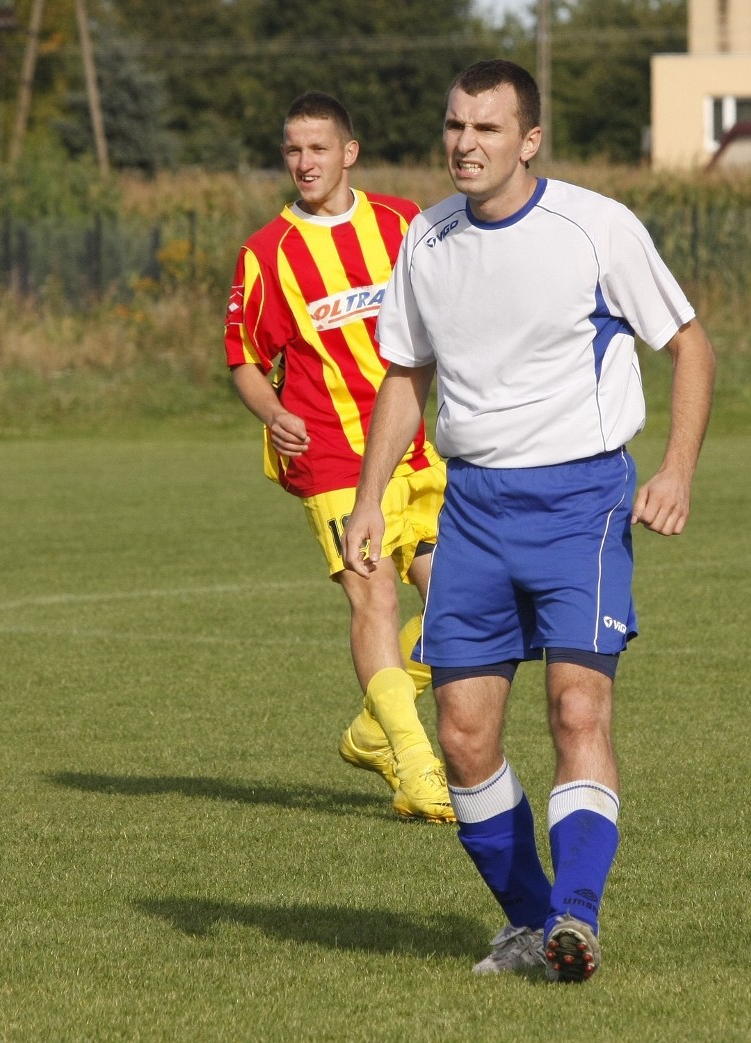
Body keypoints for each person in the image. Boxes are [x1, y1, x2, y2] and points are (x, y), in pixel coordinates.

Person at [342, 59, 715, 981]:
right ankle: (533, 924)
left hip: (579, 502)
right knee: (465, 738)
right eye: (454, 126)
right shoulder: (424, 241)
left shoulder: (595, 229)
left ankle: (577, 916)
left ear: (530, 139)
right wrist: (365, 498)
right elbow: (405, 374)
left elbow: (691, 345)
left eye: (488, 129)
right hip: (471, 508)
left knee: (575, 705)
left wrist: (674, 470)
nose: (465, 144)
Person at [223, 91, 454, 823]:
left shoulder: (402, 222)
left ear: (348, 152)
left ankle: (368, 730)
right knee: (376, 596)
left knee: (468, 601)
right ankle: (418, 766)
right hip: (331, 460)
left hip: (415, 449)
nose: (304, 162)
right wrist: (273, 410)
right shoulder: (268, 253)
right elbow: (243, 358)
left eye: (318, 148)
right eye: (293, 149)